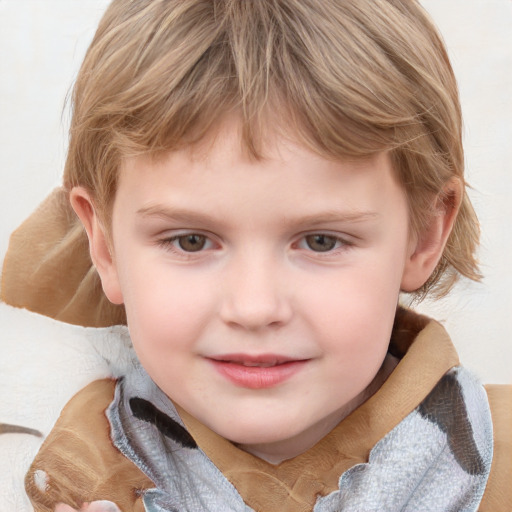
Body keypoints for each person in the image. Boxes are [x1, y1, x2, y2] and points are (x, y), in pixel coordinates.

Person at [6, 0, 509, 510]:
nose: (254, 307)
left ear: (423, 236)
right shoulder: (44, 471)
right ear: (105, 247)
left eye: (321, 241)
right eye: (191, 241)